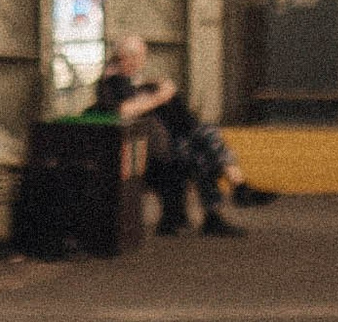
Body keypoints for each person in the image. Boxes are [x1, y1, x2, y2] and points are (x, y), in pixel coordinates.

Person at [90, 30, 245, 236]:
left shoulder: (135, 81)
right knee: (203, 148)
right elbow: (123, 110)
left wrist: (158, 90)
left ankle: (224, 199)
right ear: (126, 58)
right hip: (143, 151)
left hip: (167, 142)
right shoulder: (111, 83)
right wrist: (160, 97)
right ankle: (234, 186)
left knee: (205, 142)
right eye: (139, 57)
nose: (142, 61)